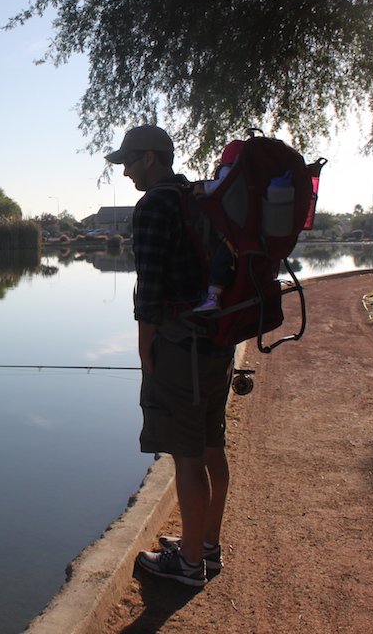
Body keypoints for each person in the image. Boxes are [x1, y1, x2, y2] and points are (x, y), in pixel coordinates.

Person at [105, 125, 236, 587]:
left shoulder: (155, 205)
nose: (124, 171)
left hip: (181, 345)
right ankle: (207, 548)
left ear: (150, 159)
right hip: (220, 336)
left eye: (128, 161)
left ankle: (189, 567)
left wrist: (146, 350)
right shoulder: (198, 196)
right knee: (210, 444)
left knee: (185, 454)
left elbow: (151, 285)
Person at [191, 139, 244, 312]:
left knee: (221, 260)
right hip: (250, 231)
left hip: (234, 232)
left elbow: (224, 183)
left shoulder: (230, 170)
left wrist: (204, 188)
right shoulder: (255, 176)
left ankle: (213, 297)